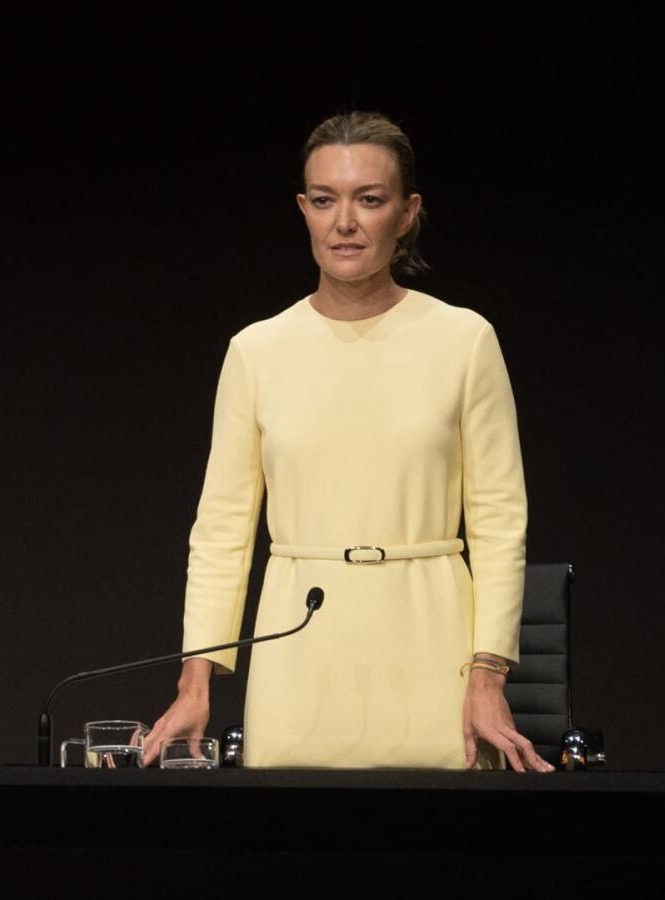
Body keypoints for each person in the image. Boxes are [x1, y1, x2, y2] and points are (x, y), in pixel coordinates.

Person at [141, 112, 551, 772]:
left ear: (407, 212)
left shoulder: (464, 341)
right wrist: (196, 682)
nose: (345, 223)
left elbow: (500, 522)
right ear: (303, 210)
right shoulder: (257, 351)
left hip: (433, 648)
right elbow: (221, 530)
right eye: (325, 200)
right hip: (298, 652)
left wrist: (488, 674)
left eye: (370, 199)